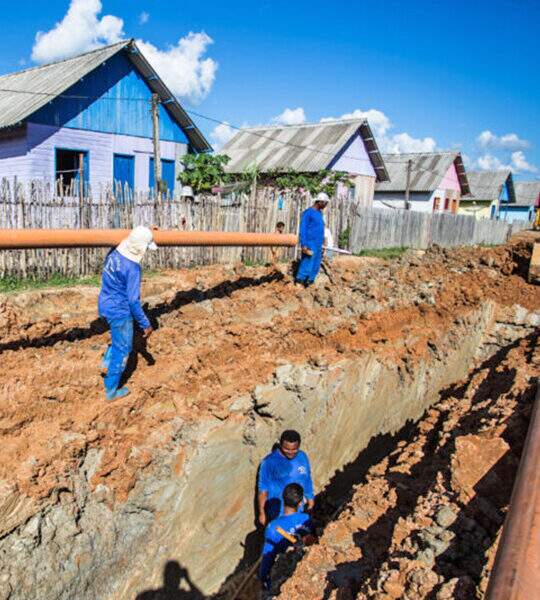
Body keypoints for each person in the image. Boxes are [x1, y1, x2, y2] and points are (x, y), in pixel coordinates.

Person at [98, 226, 157, 401]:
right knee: (123, 349)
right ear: (140, 248)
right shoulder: (133, 268)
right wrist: (146, 323)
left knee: (119, 341)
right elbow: (133, 301)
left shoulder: (114, 252)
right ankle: (111, 389)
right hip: (120, 311)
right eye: (146, 247)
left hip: (105, 304)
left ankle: (106, 364)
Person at [259, 483, 315, 591]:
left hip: (282, 572)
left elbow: (267, 557)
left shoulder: (273, 527)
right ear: (300, 503)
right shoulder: (306, 519)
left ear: (283, 498)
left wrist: (263, 578)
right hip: (303, 567)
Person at [258, 430, 314, 526]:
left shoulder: (302, 457)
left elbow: (307, 479)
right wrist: (262, 513)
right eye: (286, 449)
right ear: (280, 445)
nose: (290, 452)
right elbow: (263, 489)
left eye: (294, 449)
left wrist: (311, 500)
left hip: (298, 510)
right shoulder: (269, 462)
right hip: (278, 513)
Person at [296, 192, 329, 286]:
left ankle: (310, 282)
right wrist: (304, 245)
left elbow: (321, 229)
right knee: (307, 262)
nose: (326, 205)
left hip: (318, 244)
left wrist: (323, 244)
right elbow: (303, 229)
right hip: (310, 243)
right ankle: (299, 281)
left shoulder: (319, 213)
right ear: (320, 202)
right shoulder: (308, 213)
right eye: (325, 203)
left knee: (316, 263)